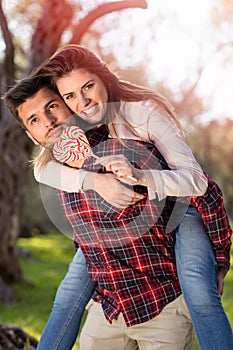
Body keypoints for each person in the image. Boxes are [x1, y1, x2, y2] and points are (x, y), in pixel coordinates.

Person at [4, 44, 233, 349]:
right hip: (113, 235)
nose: (81, 102)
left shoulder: (142, 113)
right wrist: (96, 182)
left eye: (87, 87)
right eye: (70, 96)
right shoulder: (73, 136)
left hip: (182, 202)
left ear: (103, 78)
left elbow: (195, 182)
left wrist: (140, 177)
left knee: (198, 287)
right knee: (68, 294)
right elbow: (42, 172)